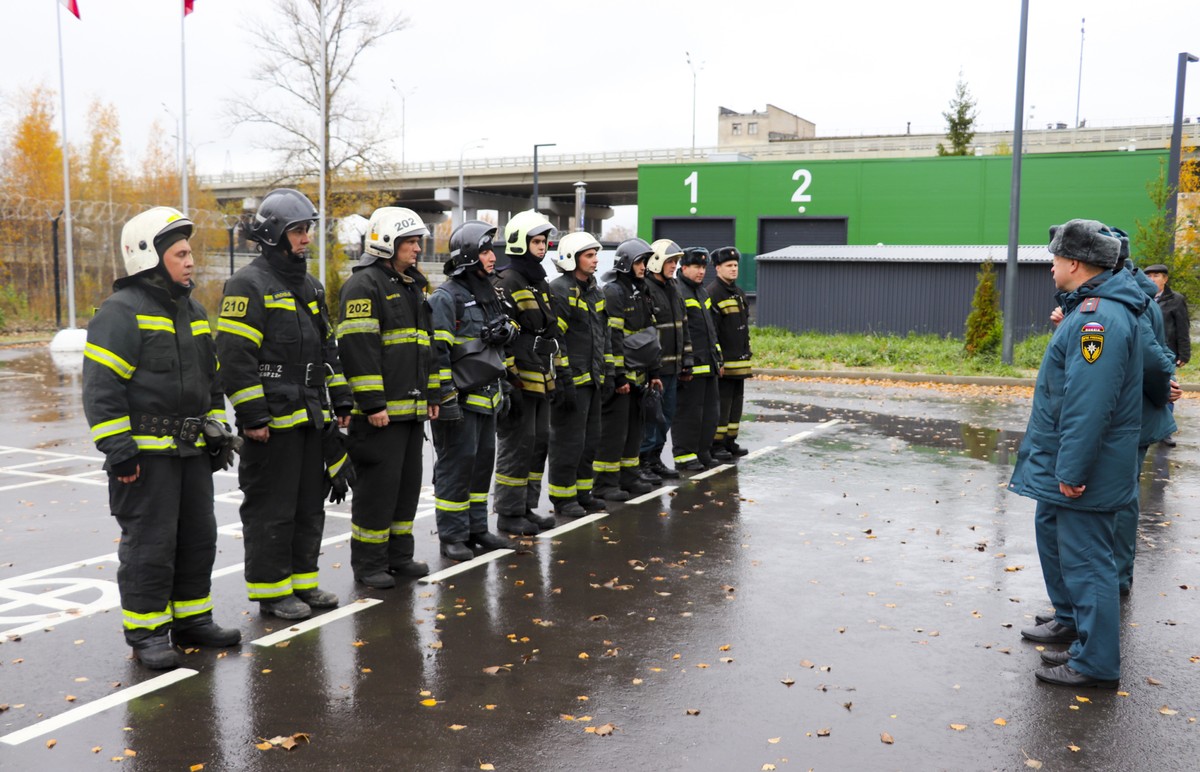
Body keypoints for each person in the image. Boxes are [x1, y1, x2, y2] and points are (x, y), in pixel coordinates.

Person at [83, 206, 241, 669]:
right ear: (148, 257)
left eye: (190, 252)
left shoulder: (191, 310)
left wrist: (215, 429)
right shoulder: (119, 313)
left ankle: (193, 620)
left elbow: (211, 380)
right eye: (181, 253)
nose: (191, 261)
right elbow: (101, 389)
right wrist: (120, 451)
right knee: (150, 546)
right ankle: (148, 632)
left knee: (198, 539)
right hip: (145, 459)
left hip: (191, 455)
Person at [1009, 219, 1145, 689]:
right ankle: (1087, 647)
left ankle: (1095, 663)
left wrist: (1070, 469)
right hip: (1090, 464)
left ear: (1073, 263)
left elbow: (1088, 405)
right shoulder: (1093, 310)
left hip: (1090, 468)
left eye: (1053, 260)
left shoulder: (1097, 319)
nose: (1050, 268)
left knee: (1088, 564)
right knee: (1081, 559)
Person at [217, 188, 353, 620]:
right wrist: (253, 415)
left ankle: (303, 583)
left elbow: (328, 349)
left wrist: (342, 397)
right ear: (275, 234)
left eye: (308, 229)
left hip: (311, 416)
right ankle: (272, 592)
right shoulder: (247, 284)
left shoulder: (310, 286)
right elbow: (235, 358)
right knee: (271, 509)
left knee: (307, 504)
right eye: (298, 230)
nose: (306, 238)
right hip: (272, 421)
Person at [336, 207, 437, 588]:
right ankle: (368, 563)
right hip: (380, 415)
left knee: (407, 487)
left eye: (416, 241)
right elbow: (358, 348)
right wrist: (373, 403)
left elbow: (425, 348)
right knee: (377, 492)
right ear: (386, 243)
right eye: (409, 242)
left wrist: (432, 394)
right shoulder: (364, 286)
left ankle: (399, 556)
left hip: (410, 412)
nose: (416, 248)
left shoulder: (411, 286)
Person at [429, 220, 517, 561]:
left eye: (491, 249)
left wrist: (505, 388)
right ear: (467, 254)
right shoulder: (446, 297)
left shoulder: (490, 293)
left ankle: (477, 529)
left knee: (482, 466)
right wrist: (446, 398)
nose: (492, 256)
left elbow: (497, 350)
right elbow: (437, 353)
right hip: (460, 403)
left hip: (489, 398)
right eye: (484, 250)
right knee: (456, 467)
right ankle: (452, 535)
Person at [491, 210, 559, 535]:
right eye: (536, 241)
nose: (542, 247)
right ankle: (508, 513)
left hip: (541, 377)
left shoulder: (538, 281)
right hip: (519, 379)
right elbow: (502, 338)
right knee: (518, 445)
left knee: (538, 442)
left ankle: (527, 508)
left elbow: (548, 332)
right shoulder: (506, 281)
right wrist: (509, 380)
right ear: (519, 243)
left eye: (544, 241)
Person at [547, 231, 611, 518]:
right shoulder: (560, 290)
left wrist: (607, 371)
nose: (596, 260)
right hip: (572, 382)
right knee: (568, 442)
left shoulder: (596, 291)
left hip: (593, 380)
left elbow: (603, 335)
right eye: (589, 255)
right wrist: (563, 380)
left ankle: (583, 493)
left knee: (590, 440)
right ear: (572, 258)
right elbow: (555, 338)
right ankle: (563, 497)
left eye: (596, 254)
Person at [593, 238, 663, 501]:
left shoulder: (641, 290)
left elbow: (650, 334)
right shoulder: (614, 292)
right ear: (626, 264)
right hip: (621, 379)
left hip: (641, 376)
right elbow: (614, 337)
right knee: (614, 433)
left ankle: (629, 476)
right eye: (639, 262)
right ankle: (605, 484)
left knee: (635, 430)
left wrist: (655, 372)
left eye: (644, 262)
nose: (644, 267)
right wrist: (619, 375)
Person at [640, 239, 691, 481]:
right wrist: (652, 370)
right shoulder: (646, 290)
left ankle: (655, 459)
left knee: (666, 417)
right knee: (651, 418)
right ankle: (643, 462)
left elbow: (684, 328)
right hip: (656, 370)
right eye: (671, 261)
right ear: (657, 261)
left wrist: (686, 361)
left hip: (674, 368)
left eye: (676, 261)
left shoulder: (674, 289)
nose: (674, 266)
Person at [671, 247, 723, 472]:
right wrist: (685, 362)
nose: (701, 271)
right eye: (697, 267)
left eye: (703, 267)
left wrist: (718, 357)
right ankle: (685, 456)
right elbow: (682, 332)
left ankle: (702, 452)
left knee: (710, 413)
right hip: (691, 366)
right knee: (689, 413)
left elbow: (710, 329)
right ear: (684, 268)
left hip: (709, 364)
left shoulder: (702, 292)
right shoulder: (678, 291)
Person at [706, 246, 753, 460]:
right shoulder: (713, 293)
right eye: (729, 266)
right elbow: (712, 331)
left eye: (735, 266)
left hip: (740, 362)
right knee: (722, 406)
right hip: (725, 363)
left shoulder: (738, 293)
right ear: (718, 268)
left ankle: (730, 441)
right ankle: (716, 445)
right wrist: (718, 360)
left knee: (736, 404)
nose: (734, 269)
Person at [1143, 263, 1189, 445]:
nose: (1152, 279)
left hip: (1167, 352)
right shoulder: (1142, 297)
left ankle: (1165, 431)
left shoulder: (1175, 299)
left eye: (1156, 276)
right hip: (1147, 351)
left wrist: (1184, 354)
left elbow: (1182, 327)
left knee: (1168, 387)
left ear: (1165, 279)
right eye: (1149, 276)